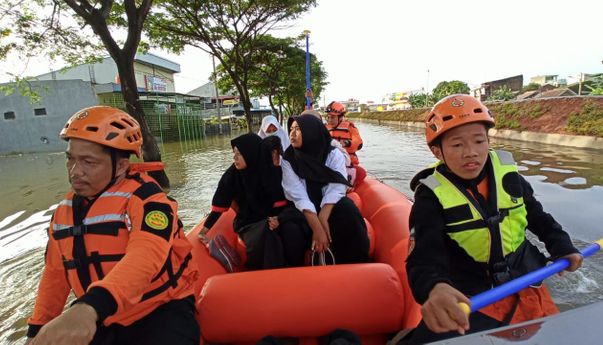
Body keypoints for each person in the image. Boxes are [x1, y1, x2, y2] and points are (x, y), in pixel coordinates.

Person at [403, 94, 583, 344]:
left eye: (479, 141)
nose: (471, 153)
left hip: (524, 277)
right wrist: (434, 287)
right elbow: (424, 254)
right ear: (438, 151)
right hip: (471, 290)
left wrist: (561, 245)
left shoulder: (509, 177)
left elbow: (539, 217)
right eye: (457, 145)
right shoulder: (430, 197)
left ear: (488, 141)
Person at [25, 106, 199, 345]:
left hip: (158, 310)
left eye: (88, 162)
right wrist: (37, 330)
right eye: (70, 159)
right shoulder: (63, 213)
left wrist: (89, 307)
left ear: (121, 165)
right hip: (101, 315)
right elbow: (55, 275)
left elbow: (147, 254)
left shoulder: (149, 200)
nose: (75, 172)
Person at [199, 133, 309, 270]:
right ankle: (264, 273)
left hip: (278, 216)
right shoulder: (232, 175)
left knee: (293, 231)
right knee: (266, 232)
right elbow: (220, 204)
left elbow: (287, 203)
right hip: (248, 222)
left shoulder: (272, 172)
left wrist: (279, 219)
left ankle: (295, 270)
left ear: (250, 154)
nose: (234, 158)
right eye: (234, 153)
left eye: (239, 154)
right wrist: (203, 231)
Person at [282, 114, 370, 264]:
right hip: (303, 209)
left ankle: (355, 264)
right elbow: (298, 196)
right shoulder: (289, 159)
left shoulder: (332, 153)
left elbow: (336, 186)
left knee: (348, 210)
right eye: (290, 129)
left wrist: (323, 217)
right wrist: (317, 228)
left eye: (297, 129)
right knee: (289, 228)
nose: (292, 134)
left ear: (311, 131)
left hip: (328, 205)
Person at [324, 101, 363, 166]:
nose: (330, 120)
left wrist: (347, 143)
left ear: (341, 117)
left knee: (361, 173)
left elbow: (358, 143)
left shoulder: (350, 128)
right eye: (328, 117)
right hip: (331, 163)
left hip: (348, 163)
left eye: (333, 117)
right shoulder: (324, 128)